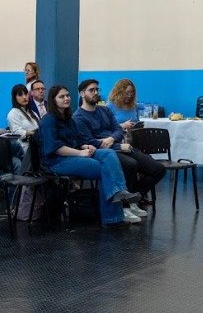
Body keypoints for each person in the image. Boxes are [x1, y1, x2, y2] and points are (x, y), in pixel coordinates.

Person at [38, 85, 140, 227]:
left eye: (67, 95)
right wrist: (80, 153)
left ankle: (119, 191)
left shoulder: (68, 119)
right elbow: (55, 148)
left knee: (108, 154)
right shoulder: (48, 120)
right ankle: (112, 217)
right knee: (103, 168)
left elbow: (76, 141)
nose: (66, 98)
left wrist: (85, 146)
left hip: (73, 155)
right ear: (53, 100)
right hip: (56, 162)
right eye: (61, 96)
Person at [75, 79, 162, 218]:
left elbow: (118, 129)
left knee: (158, 169)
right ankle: (125, 206)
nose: (95, 92)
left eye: (97, 89)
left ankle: (132, 199)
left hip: (117, 146)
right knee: (130, 164)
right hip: (103, 152)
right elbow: (89, 142)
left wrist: (111, 139)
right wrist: (118, 144)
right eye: (91, 90)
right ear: (82, 93)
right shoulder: (78, 117)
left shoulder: (104, 110)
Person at [6, 84, 41, 171]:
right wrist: (34, 133)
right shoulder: (13, 113)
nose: (24, 97)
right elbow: (18, 132)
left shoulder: (32, 113)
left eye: (26, 94)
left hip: (36, 143)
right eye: (20, 95)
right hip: (24, 146)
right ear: (15, 98)